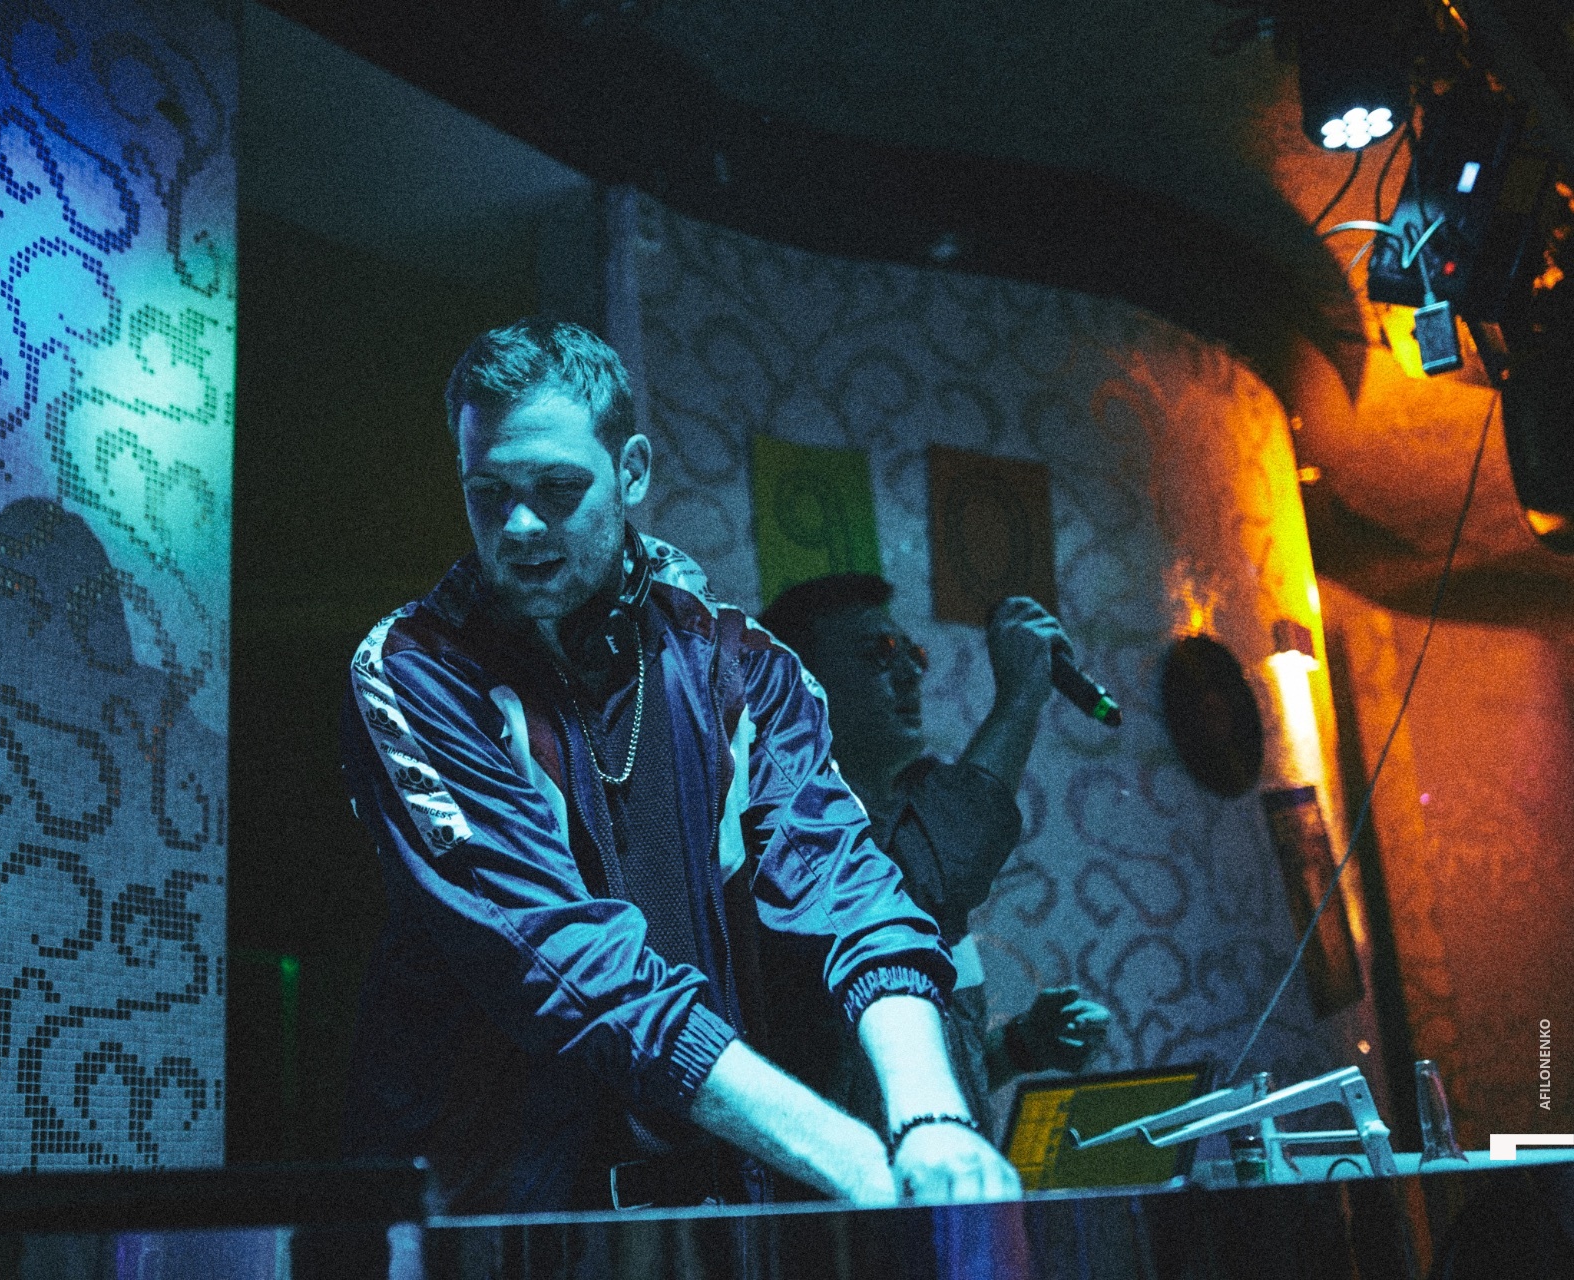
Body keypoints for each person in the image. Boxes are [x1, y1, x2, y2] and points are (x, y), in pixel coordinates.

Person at [338, 319, 1022, 1214]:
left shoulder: (742, 667)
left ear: (631, 472)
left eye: (557, 488)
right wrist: (854, 1161)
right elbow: (571, 965)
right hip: (498, 1214)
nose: (520, 525)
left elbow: (852, 891)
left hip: (706, 1201)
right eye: (488, 493)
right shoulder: (416, 670)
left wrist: (935, 1117)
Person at [758, 575, 1112, 1141]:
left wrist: (1020, 1046)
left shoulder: (906, 815)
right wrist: (1020, 698)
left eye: (913, 653)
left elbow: (905, 1084)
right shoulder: (797, 838)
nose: (910, 671)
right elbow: (943, 864)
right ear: (803, 684)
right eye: (879, 652)